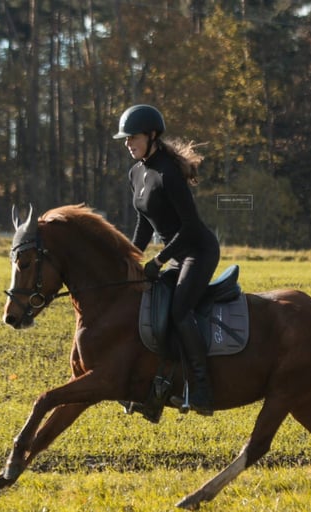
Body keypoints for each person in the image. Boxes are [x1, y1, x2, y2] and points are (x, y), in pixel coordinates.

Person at [114, 104, 220, 416]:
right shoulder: (137, 173)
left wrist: (158, 260)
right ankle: (156, 389)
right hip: (175, 255)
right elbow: (144, 223)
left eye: (132, 137)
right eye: (125, 138)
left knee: (178, 309)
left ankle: (201, 389)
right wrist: (130, 258)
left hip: (198, 252)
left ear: (152, 135)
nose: (127, 143)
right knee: (148, 306)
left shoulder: (168, 173)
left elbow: (190, 227)